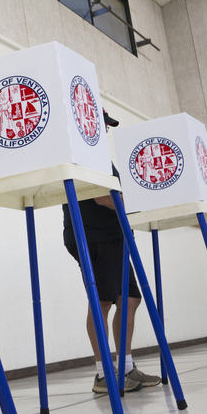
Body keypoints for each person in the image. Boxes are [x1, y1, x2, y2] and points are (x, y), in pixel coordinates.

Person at [62, 110, 161, 395]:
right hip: (92, 236)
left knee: (130, 299)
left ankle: (126, 368)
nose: (104, 130)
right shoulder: (82, 153)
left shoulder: (99, 155)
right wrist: (140, 201)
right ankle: (102, 373)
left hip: (113, 235)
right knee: (103, 302)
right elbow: (103, 196)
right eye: (101, 124)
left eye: (106, 126)